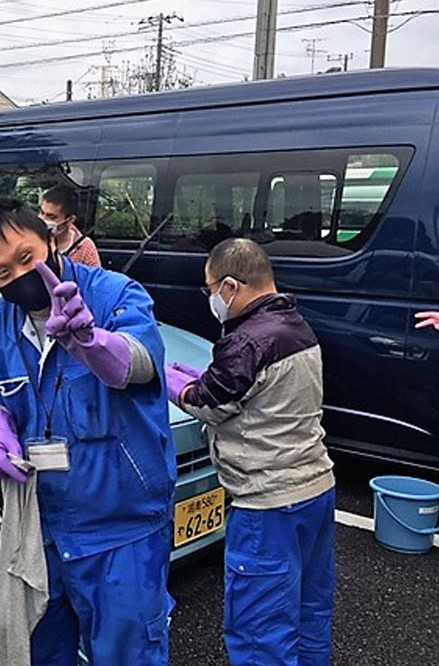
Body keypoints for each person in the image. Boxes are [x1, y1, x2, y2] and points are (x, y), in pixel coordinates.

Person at [0, 199, 175, 665]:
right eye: (2, 273)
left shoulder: (115, 294)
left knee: (129, 652)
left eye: (26, 256)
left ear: (51, 241)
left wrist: (91, 343)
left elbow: (140, 364)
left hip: (122, 526)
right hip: (44, 529)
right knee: (45, 649)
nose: (19, 274)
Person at [164, 238, 336, 666]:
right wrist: (207, 375)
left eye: (210, 290)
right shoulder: (295, 325)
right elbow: (254, 391)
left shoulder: (246, 341)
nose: (211, 300)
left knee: (260, 632)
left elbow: (209, 403)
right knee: (308, 613)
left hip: (267, 505)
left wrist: (172, 381)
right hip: (316, 489)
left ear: (230, 286)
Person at [39, 185, 101, 268]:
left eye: (51, 217)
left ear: (70, 220)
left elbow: (95, 278)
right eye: (42, 213)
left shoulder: (85, 248)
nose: (43, 219)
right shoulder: (33, 238)